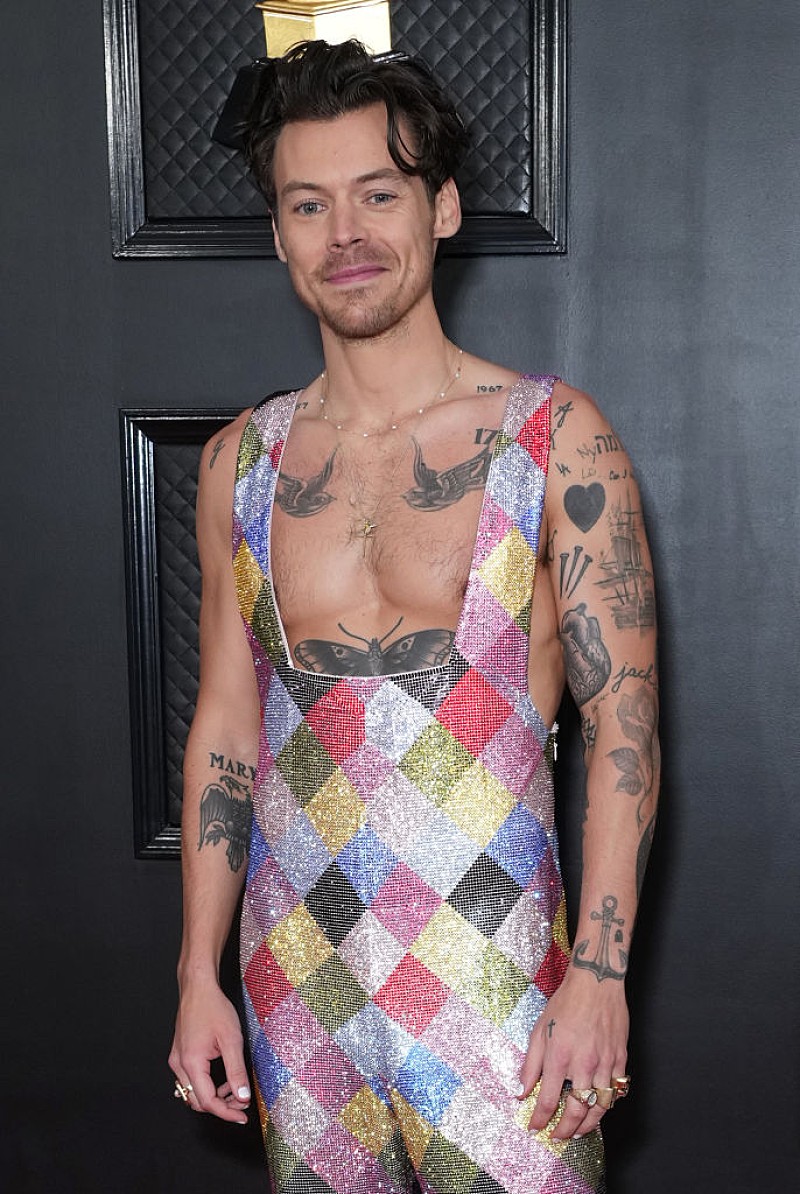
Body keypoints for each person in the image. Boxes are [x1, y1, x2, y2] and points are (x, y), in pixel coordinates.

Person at [169, 39, 659, 1194]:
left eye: (377, 195)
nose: (344, 234)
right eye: (308, 204)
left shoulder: (553, 439)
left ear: (439, 209)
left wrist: (598, 975)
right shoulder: (239, 464)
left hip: (502, 982)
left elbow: (624, 723)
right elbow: (227, 730)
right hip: (296, 984)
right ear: (279, 232)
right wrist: (197, 975)